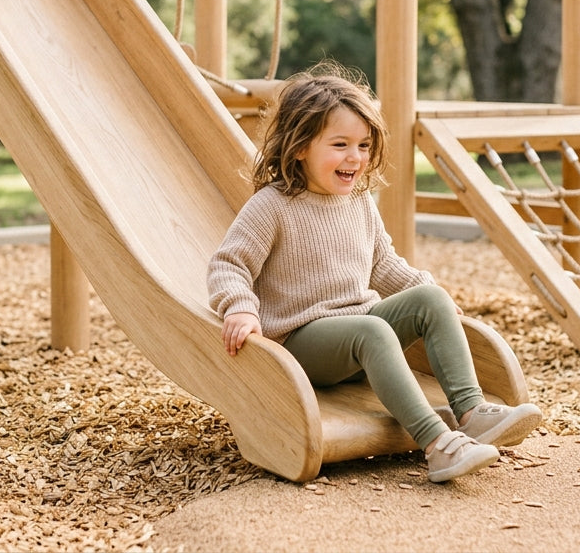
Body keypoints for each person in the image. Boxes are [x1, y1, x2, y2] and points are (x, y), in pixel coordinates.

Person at [207, 62, 543, 483]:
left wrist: (429, 299)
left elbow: (383, 265)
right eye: (341, 144)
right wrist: (240, 308)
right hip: (304, 341)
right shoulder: (272, 206)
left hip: (359, 330)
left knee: (430, 298)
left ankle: (472, 412)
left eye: (364, 145)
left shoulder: (360, 204)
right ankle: (438, 444)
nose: (355, 157)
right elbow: (228, 264)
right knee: (374, 330)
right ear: (299, 147)